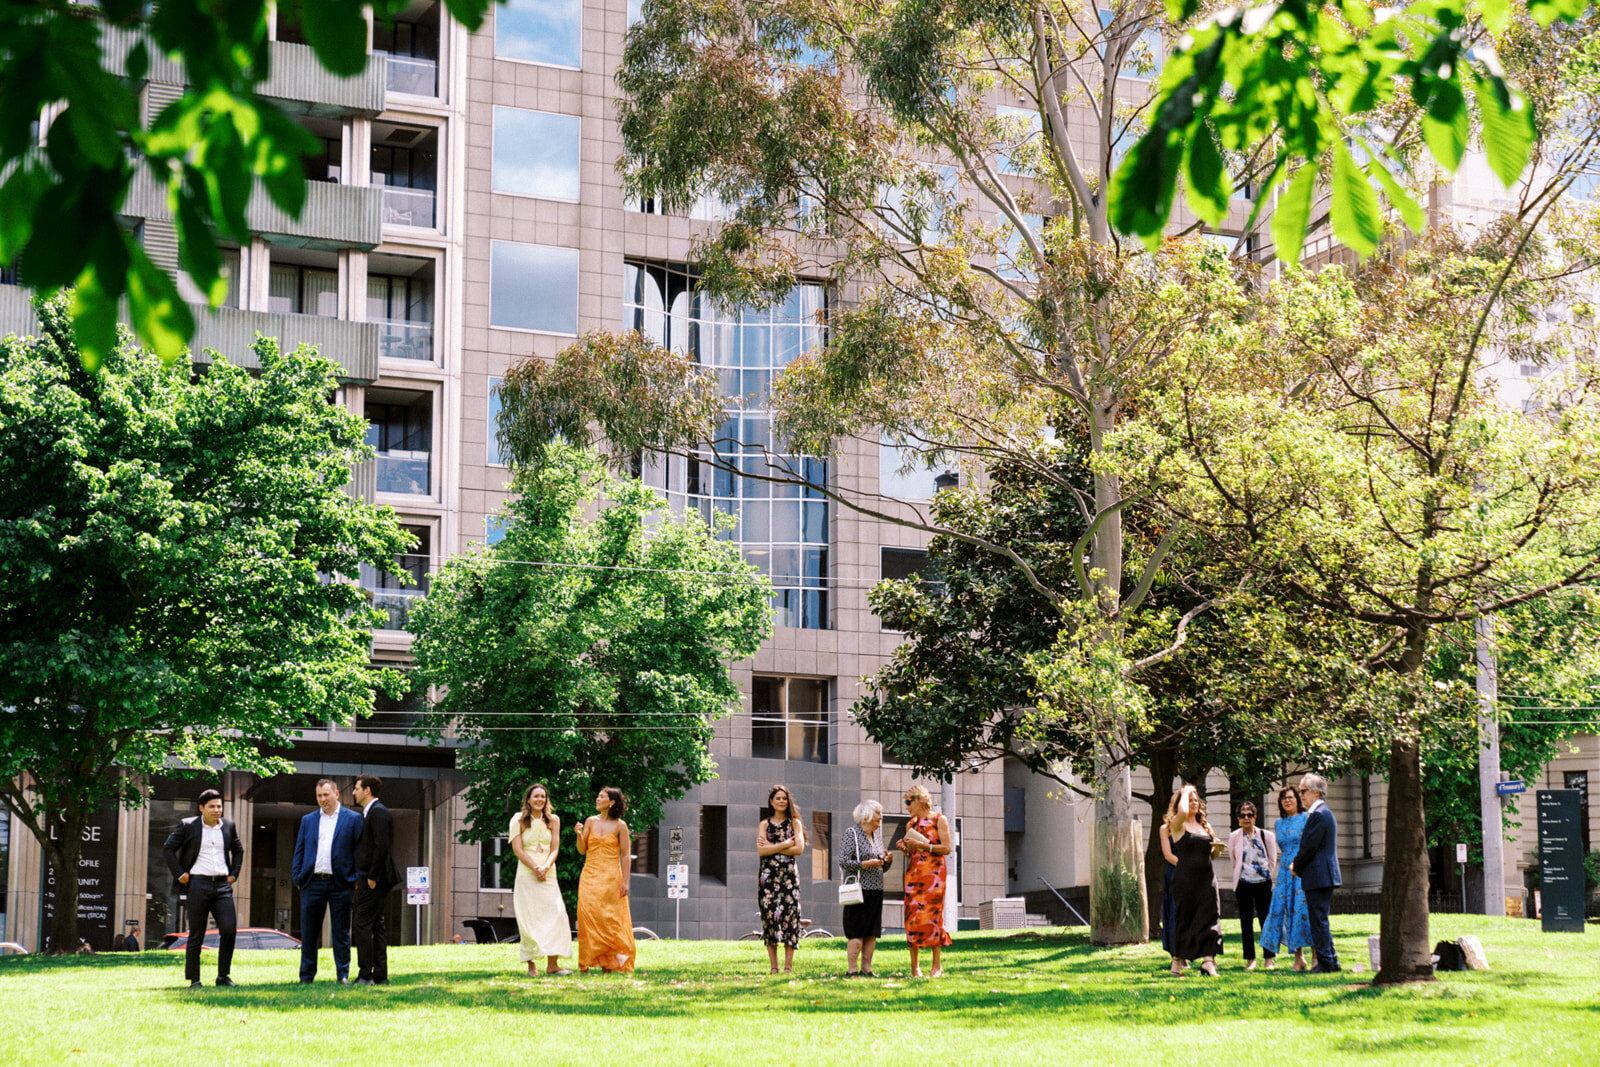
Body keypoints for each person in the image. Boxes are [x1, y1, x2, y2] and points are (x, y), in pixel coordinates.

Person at [162, 787, 244, 990]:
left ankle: (223, 976)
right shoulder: (188, 826)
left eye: (219, 806)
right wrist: (180, 874)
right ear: (201, 808)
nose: (217, 810)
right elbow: (168, 848)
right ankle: (194, 980)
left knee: (229, 929)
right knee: (197, 933)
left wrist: (234, 874)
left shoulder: (229, 826)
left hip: (223, 886)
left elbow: (239, 850)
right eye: (212, 807)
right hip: (198, 884)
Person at [290, 777, 362, 984]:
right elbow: (299, 851)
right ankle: (306, 976)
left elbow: (359, 851)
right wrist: (297, 877)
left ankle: (343, 975)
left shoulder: (353, 819)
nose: (322, 799)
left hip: (342, 883)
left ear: (337, 794)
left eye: (326, 795)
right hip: (312, 883)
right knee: (309, 932)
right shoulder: (308, 820)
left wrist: (355, 878)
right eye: (319, 795)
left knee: (341, 932)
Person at [510, 783, 573, 976]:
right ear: (528, 799)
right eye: (536, 796)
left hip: (549, 872)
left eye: (543, 797)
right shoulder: (518, 820)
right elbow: (518, 850)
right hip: (527, 873)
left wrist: (545, 866)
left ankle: (553, 965)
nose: (539, 800)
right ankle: (531, 966)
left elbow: (555, 848)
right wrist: (535, 867)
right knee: (529, 917)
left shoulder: (554, 820)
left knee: (557, 914)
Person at [1161, 783, 1223, 977]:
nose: (1194, 802)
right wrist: (1187, 789)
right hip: (1185, 878)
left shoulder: (1205, 826)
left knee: (1210, 917)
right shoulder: (1177, 825)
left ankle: (1208, 961)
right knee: (1185, 918)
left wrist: (1217, 851)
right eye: (1190, 799)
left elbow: (1210, 856)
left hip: (1207, 878)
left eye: (1196, 799)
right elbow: (1182, 812)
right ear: (1181, 803)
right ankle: (1177, 963)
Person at [576, 786, 635, 974]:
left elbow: (626, 855)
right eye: (597, 796)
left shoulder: (620, 826)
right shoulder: (590, 822)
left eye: (602, 797)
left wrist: (626, 881)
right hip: (590, 876)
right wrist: (579, 835)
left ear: (612, 802)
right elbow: (581, 849)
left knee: (608, 920)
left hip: (611, 877)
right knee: (587, 916)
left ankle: (608, 965)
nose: (597, 799)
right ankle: (586, 962)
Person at [895, 785, 952, 978]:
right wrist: (906, 848)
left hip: (934, 874)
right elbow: (913, 852)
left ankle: (936, 965)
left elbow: (946, 848)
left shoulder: (939, 819)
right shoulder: (910, 824)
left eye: (909, 802)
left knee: (933, 916)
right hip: (914, 874)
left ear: (920, 800)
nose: (907, 807)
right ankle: (915, 967)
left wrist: (921, 845)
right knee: (912, 917)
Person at [1290, 773, 1342, 973]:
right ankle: (1331, 960)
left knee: (1318, 921)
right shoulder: (1321, 813)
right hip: (1321, 875)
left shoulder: (1319, 814)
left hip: (1319, 875)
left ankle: (1326, 962)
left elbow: (1309, 847)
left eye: (1303, 791)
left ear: (1316, 793)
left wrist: (1296, 866)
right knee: (1321, 920)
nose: (1300, 795)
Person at [351, 773, 399, 986]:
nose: (353, 792)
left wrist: (371, 877)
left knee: (361, 924)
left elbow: (382, 846)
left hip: (374, 879)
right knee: (377, 926)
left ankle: (365, 975)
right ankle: (380, 976)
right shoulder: (372, 813)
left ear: (367, 790)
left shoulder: (378, 813)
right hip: (374, 878)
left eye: (356, 788)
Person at [1260, 786, 1313, 971]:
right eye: (1283, 798)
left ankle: (1316, 957)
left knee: (1304, 910)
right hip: (1285, 872)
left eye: (1290, 797)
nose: (1287, 801)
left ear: (1297, 800)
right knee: (1288, 912)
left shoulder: (1306, 819)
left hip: (1302, 868)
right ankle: (1299, 958)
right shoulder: (1278, 824)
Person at [838, 799, 892, 978]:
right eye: (878, 813)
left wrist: (886, 862)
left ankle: (866, 969)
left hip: (876, 888)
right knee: (856, 929)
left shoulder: (876, 836)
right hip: (858, 890)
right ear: (867, 815)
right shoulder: (852, 833)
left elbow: (880, 865)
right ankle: (852, 970)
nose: (881, 817)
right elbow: (843, 862)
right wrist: (865, 864)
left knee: (872, 931)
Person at [757, 784, 806, 974]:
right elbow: (761, 850)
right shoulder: (764, 824)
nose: (781, 801)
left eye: (784, 798)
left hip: (788, 877)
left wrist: (773, 846)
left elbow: (799, 849)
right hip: (767, 878)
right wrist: (786, 843)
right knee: (769, 918)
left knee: (790, 917)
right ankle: (774, 967)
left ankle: (787, 966)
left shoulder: (795, 823)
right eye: (777, 798)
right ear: (771, 801)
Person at [1228, 801, 1278, 971]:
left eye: (1250, 815)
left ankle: (1269, 958)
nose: (1246, 818)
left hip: (1263, 883)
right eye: (1242, 815)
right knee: (1246, 922)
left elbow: (1272, 860)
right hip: (1243, 884)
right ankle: (1250, 959)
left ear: (1255, 817)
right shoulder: (1234, 836)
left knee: (1266, 921)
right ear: (1238, 818)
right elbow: (1234, 860)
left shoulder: (1266, 835)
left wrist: (1265, 874)